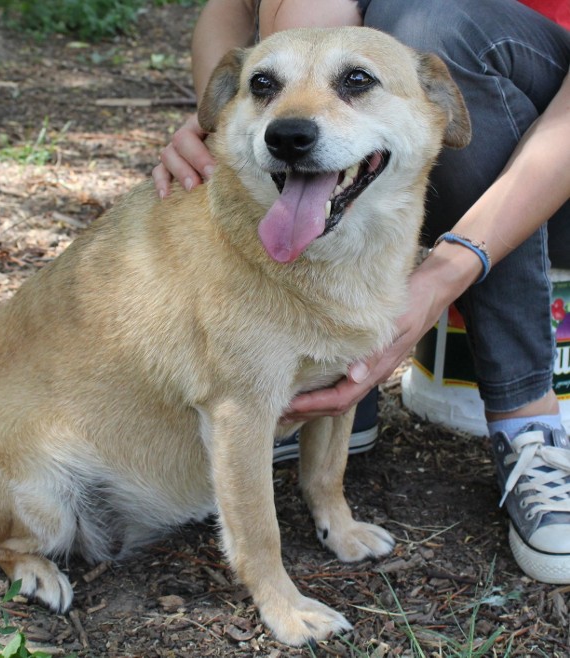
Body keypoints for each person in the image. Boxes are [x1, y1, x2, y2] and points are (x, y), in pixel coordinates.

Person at [153, 0, 570, 584]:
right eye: (269, 89)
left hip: (546, 153)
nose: (291, 119)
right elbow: (232, 9)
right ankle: (329, 378)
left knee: (431, 17)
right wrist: (222, 127)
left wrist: (444, 274)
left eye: (354, 83)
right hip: (367, 179)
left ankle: (528, 418)